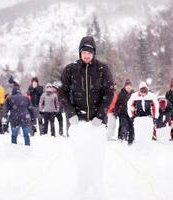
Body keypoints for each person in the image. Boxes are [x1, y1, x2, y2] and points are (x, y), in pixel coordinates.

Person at [59, 36, 114, 198]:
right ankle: (82, 185)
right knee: (81, 157)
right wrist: (70, 113)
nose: (87, 55)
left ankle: (98, 186)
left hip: (97, 124)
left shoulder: (103, 69)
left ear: (94, 52)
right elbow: (62, 93)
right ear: (80, 52)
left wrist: (101, 114)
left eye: (90, 52)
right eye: (84, 52)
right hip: (79, 123)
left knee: (97, 157)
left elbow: (109, 92)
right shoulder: (71, 69)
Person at [114, 79, 134, 144]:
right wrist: (116, 111)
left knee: (131, 126)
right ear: (125, 87)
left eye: (129, 86)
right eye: (127, 86)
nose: (128, 87)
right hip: (123, 113)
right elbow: (117, 103)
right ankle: (123, 138)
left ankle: (131, 140)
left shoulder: (134, 94)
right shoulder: (121, 93)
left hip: (131, 113)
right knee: (124, 125)